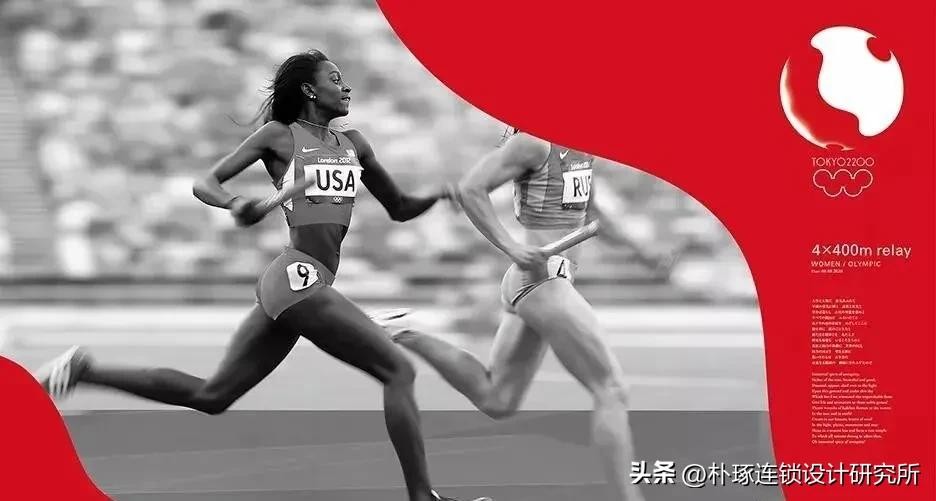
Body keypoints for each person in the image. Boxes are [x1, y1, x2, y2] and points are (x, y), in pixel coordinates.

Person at [35, 50, 489, 501]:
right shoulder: (279, 136)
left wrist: (443, 193)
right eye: (335, 79)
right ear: (310, 90)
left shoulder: (355, 144)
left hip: (302, 283)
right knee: (398, 371)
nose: (346, 86)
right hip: (297, 276)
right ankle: (421, 497)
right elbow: (206, 183)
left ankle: (83, 371)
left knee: (213, 396)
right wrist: (237, 205)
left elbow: (400, 208)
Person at [387, 128, 676, 501]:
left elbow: (593, 212)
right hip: (543, 279)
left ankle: (404, 330)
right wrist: (511, 247)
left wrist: (642, 252)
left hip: (540, 281)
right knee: (611, 389)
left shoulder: (582, 147)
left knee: (497, 399)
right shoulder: (535, 142)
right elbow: (471, 189)